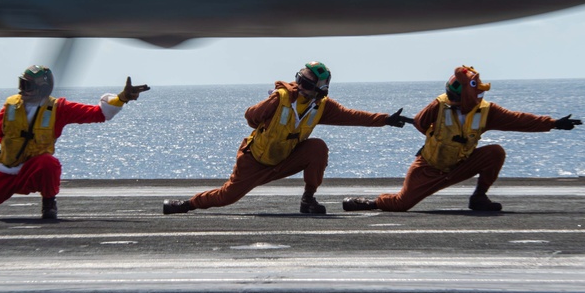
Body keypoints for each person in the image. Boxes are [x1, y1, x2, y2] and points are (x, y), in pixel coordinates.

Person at [162, 62, 413, 216]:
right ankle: (186, 204)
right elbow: (250, 117)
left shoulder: (321, 106)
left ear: (321, 89)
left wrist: (386, 119)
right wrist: (272, 100)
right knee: (227, 197)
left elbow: (352, 116)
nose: (301, 84)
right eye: (301, 79)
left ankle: (308, 199)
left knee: (317, 148)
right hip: (255, 160)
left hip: (286, 159)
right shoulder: (281, 98)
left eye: (308, 82)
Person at [0, 66, 149, 220]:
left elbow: (97, 114)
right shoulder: (10, 106)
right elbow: (0, 131)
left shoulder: (59, 108)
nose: (21, 89)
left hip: (33, 168)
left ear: (41, 88)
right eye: (22, 84)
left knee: (49, 163)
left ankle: (49, 204)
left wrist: (122, 98)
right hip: (5, 167)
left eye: (26, 85)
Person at [342, 65, 582, 213]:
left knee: (495, 152)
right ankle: (369, 202)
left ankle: (479, 197)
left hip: (461, 165)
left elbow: (518, 120)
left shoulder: (487, 111)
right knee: (401, 204)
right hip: (428, 168)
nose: (452, 100)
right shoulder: (439, 105)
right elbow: (420, 122)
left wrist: (553, 123)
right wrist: (436, 139)